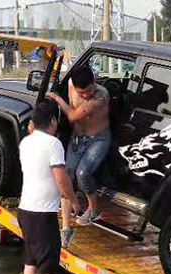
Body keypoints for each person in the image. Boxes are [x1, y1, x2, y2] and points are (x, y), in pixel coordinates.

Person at [17, 100, 80, 274]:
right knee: (46, 262)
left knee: (30, 257)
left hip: (25, 208)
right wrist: (73, 200)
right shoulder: (53, 144)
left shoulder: (25, 142)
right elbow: (61, 179)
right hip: (42, 212)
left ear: (33, 123)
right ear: (53, 121)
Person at [46, 66, 111, 247]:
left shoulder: (101, 95)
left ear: (94, 83)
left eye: (89, 91)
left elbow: (73, 115)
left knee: (82, 174)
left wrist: (57, 98)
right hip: (78, 138)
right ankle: (65, 228)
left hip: (98, 139)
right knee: (67, 177)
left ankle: (94, 209)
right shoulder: (70, 84)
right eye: (81, 93)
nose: (85, 96)